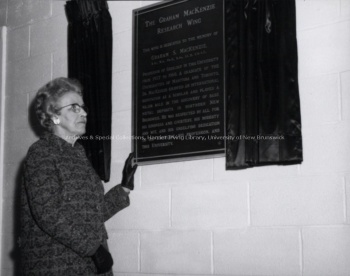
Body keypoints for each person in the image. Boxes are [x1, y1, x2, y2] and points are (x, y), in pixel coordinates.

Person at [19, 77, 137, 275]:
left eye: (83, 107)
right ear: (54, 115)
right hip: (57, 264)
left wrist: (124, 187)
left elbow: (92, 214)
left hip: (89, 263)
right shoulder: (41, 153)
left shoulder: (78, 154)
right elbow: (48, 213)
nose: (83, 113)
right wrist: (93, 248)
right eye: (74, 107)